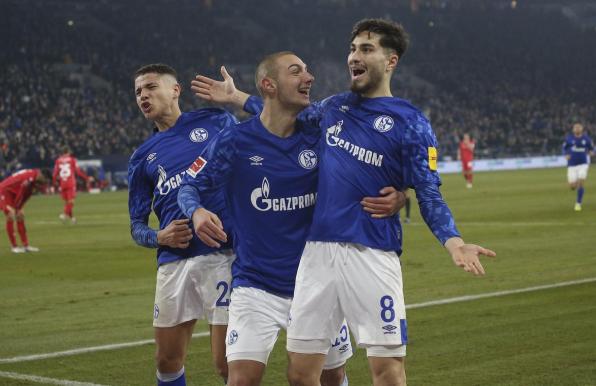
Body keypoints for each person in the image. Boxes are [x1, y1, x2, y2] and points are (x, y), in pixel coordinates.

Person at [179, 52, 405, 386]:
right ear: (269, 84)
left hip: (318, 285)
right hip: (256, 285)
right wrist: (196, 211)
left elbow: (372, 167)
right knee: (239, 379)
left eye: (308, 70)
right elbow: (188, 185)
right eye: (296, 71)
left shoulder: (321, 135)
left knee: (331, 376)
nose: (309, 77)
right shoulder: (234, 142)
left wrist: (401, 194)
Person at [128, 63, 237, 386]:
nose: (143, 96)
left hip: (223, 255)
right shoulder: (142, 157)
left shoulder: (216, 121)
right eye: (138, 92)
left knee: (227, 365)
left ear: (175, 90)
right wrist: (159, 236)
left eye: (150, 87)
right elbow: (136, 225)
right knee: (166, 361)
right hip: (174, 264)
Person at [0, 168, 51, 253]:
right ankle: (14, 247)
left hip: (12, 193)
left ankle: (26, 246)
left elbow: (26, 196)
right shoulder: (29, 178)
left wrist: (20, 207)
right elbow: (21, 193)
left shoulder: (35, 180)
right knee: (11, 214)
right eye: (45, 180)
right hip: (3, 191)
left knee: (20, 215)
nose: (45, 182)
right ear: (41, 175)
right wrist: (16, 208)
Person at [53, 146, 92, 224]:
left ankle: (73, 219)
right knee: (71, 202)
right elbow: (78, 171)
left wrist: (54, 183)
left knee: (68, 202)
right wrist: (87, 178)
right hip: (70, 183)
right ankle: (64, 215)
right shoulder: (72, 160)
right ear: (68, 152)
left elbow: (55, 173)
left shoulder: (58, 160)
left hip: (62, 183)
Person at [563, 123, 593, 211]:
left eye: (578, 127)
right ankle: (574, 184)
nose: (577, 129)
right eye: (575, 127)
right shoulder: (569, 138)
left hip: (583, 164)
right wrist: (565, 154)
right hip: (571, 165)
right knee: (572, 186)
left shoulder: (586, 139)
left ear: (582, 129)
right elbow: (564, 148)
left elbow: (592, 148)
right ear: (573, 130)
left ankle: (578, 203)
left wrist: (592, 152)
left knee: (581, 182)